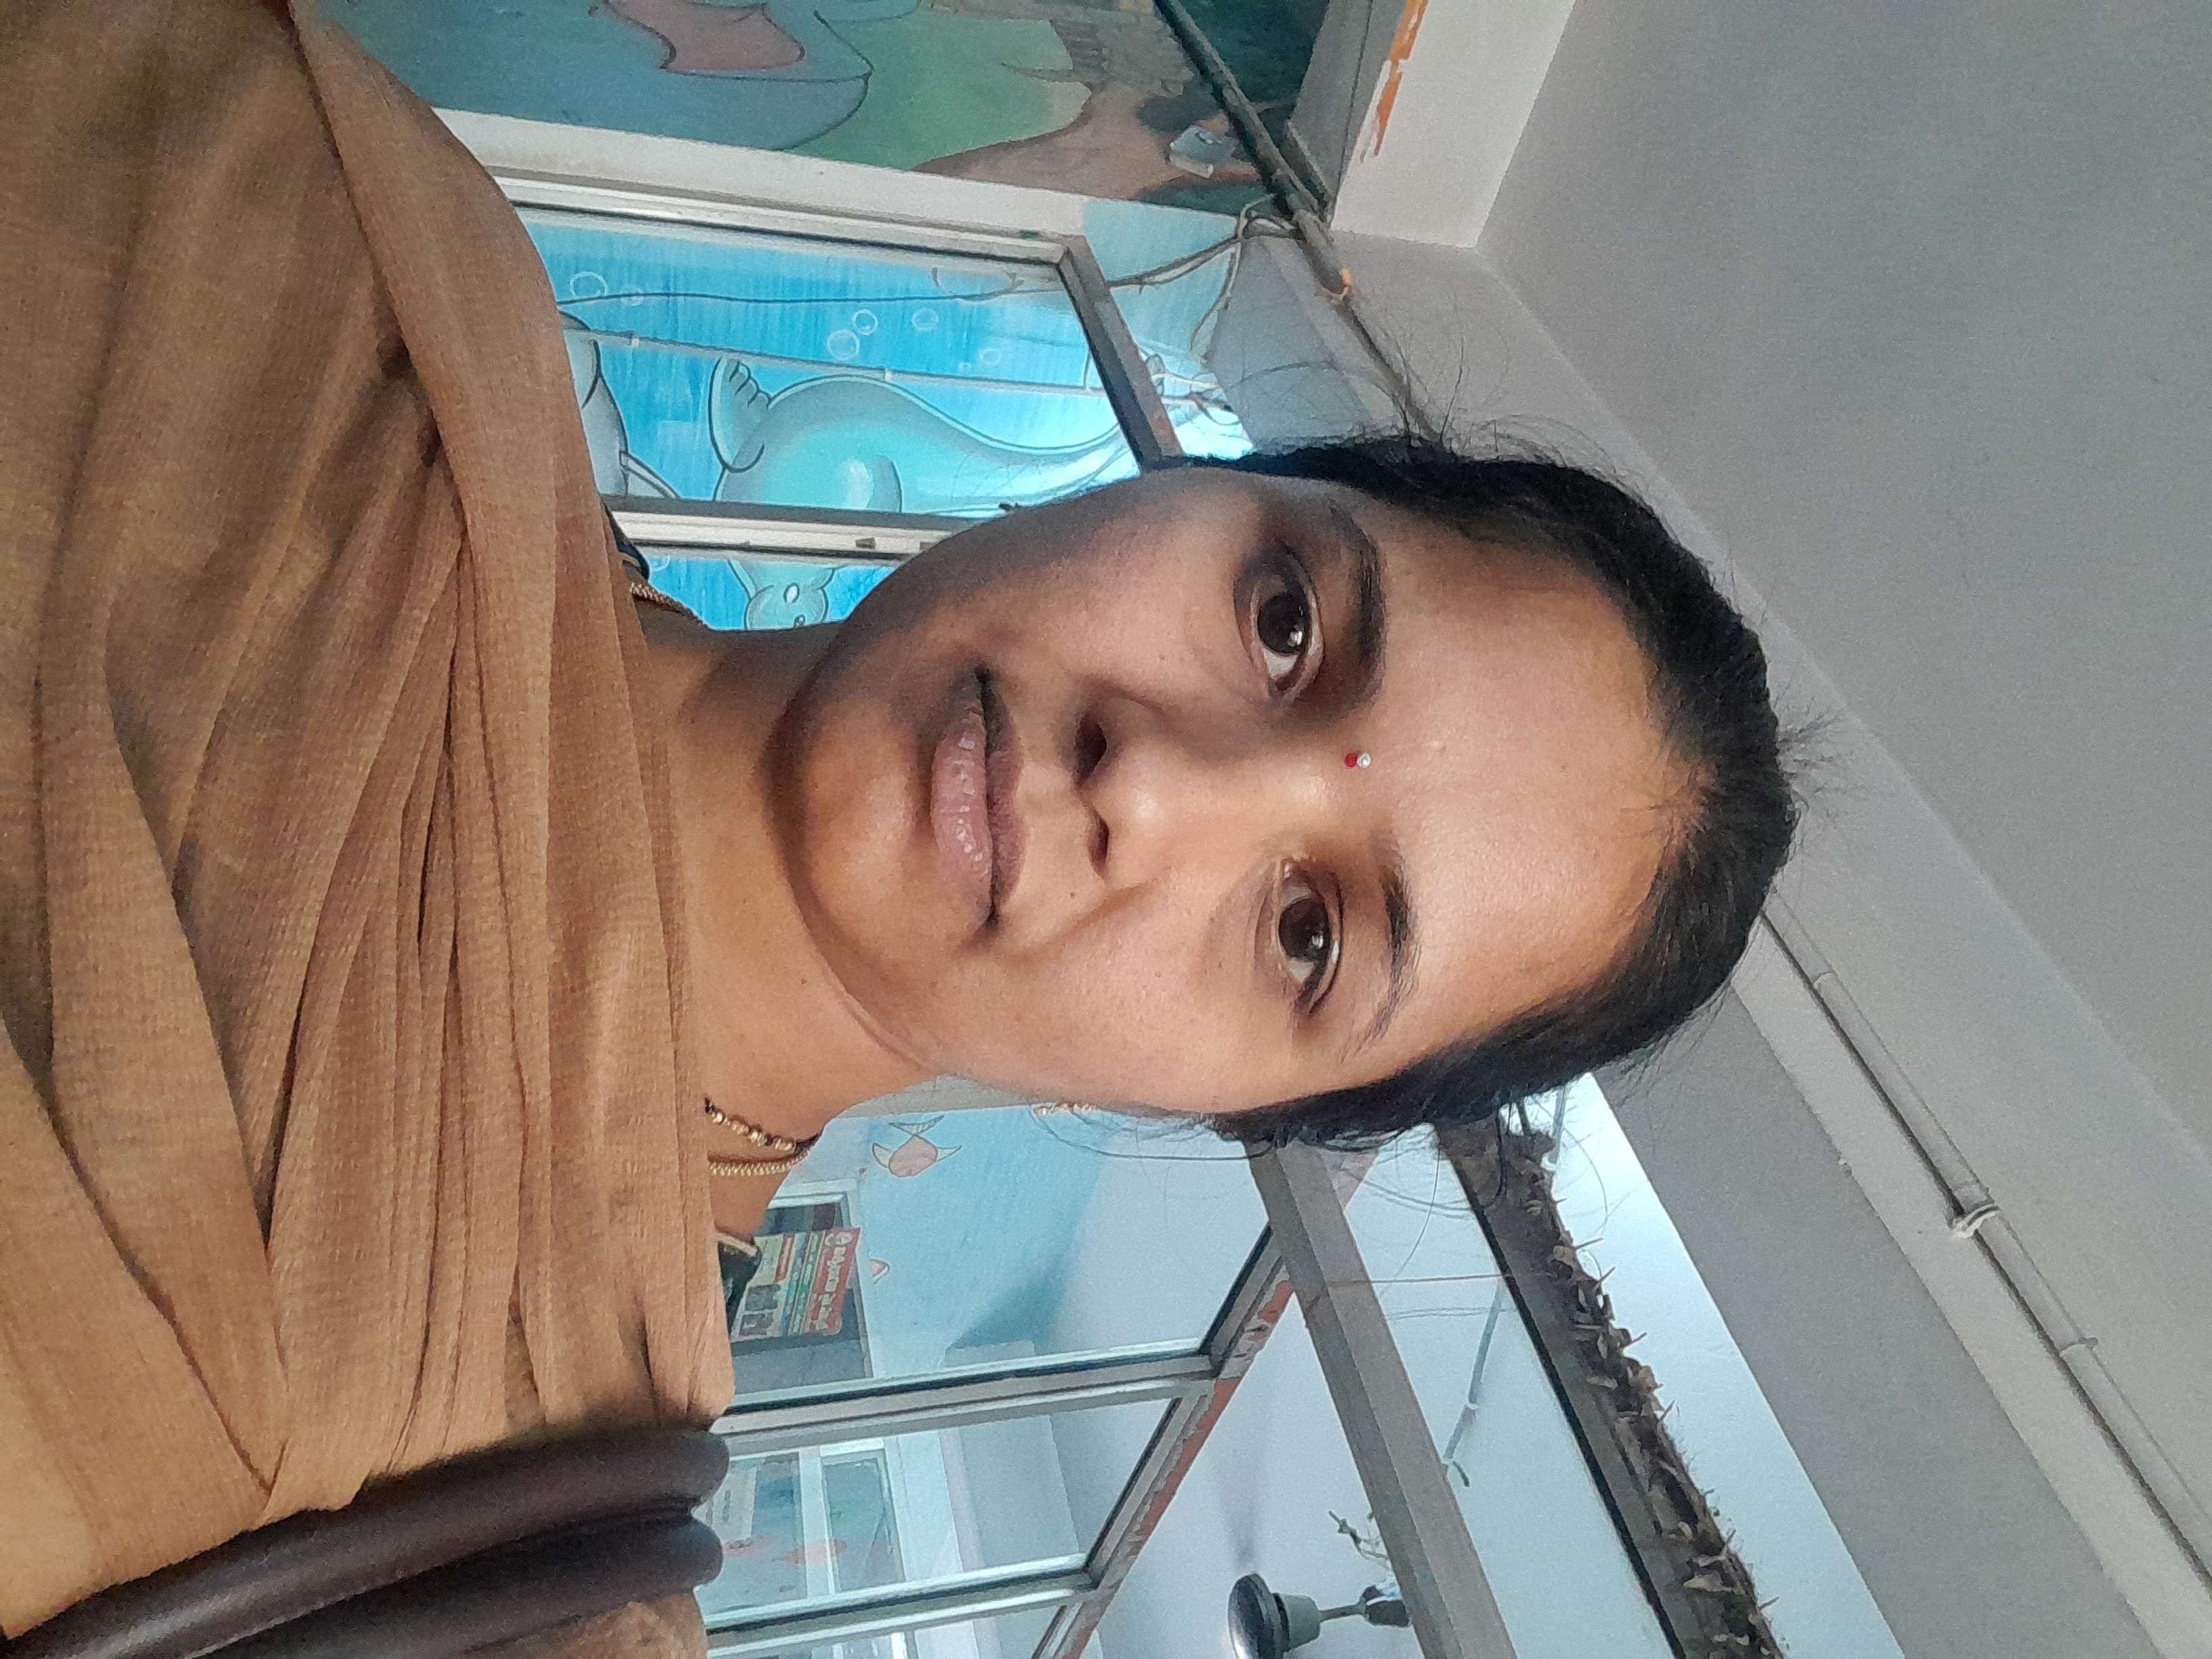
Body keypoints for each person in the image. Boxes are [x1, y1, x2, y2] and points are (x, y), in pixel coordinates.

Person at [0, 0, 1791, 1650]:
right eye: (1282, 624)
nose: (1152, 784)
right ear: (1199, 482)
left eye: (1308, 933)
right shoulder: (347, 245)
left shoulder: (492, 1589)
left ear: (1232, 1110)